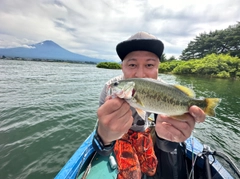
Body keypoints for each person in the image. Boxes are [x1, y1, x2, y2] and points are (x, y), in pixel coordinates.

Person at [92, 31, 206, 179]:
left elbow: (167, 143)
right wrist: (105, 136)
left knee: (151, 168)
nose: (140, 74)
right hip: (120, 137)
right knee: (132, 175)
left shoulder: (166, 90)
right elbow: (101, 145)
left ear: (158, 67)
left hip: (143, 132)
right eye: (132, 64)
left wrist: (168, 137)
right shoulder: (111, 87)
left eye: (149, 65)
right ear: (122, 67)